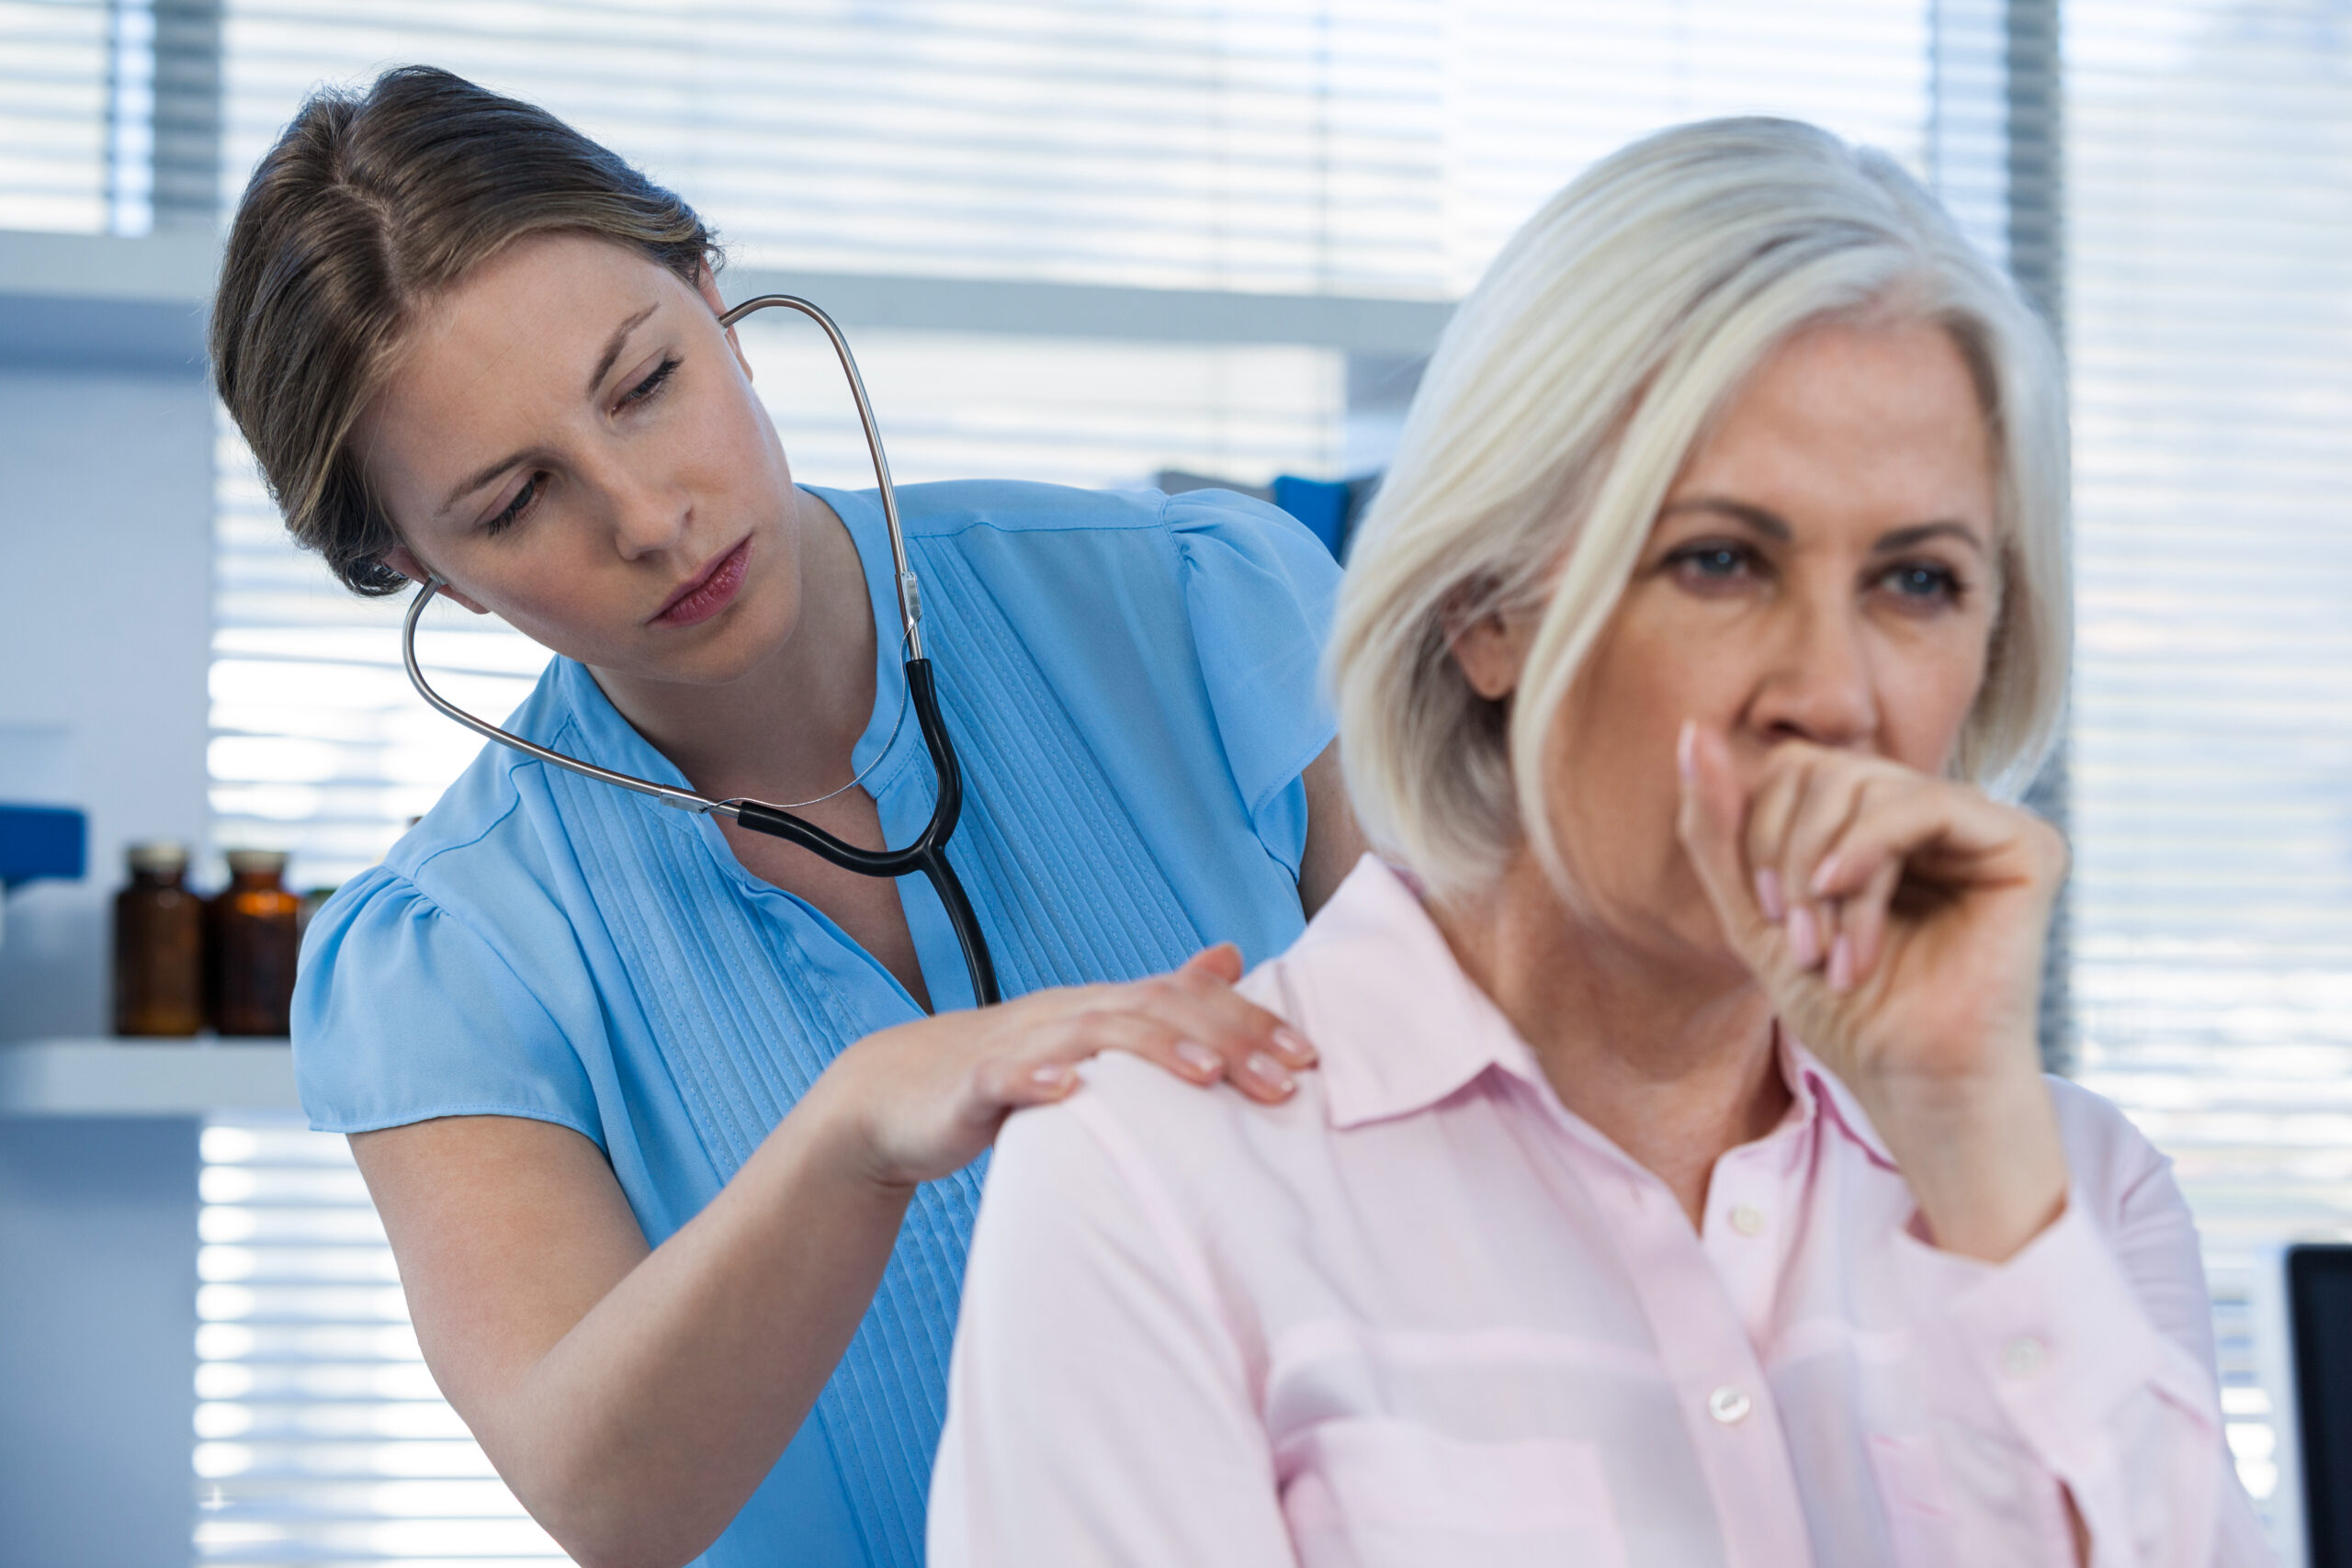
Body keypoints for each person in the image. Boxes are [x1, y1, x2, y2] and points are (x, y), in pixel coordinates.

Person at [929, 117, 2270, 1566]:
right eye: (1720, 561)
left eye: (1917, 580)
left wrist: (1986, 1177)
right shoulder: (1160, 1184)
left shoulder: (2070, 1189)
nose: (1830, 693)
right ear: (1485, 609)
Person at [211, 65, 1364, 1568]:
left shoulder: (1200, 606)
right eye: (511, 504)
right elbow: (611, 1499)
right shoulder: (451, 956)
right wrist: (848, 1135)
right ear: (421, 569)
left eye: (645, 384)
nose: (645, 515)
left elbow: (1506, 1129)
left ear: (713, 295)